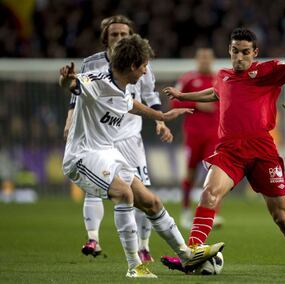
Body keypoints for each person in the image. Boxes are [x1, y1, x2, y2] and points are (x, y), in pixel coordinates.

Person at [161, 12, 285, 272]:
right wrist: (183, 94)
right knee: (208, 194)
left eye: (245, 52)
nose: (239, 57)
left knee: (280, 216)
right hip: (229, 150)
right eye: (235, 51)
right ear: (229, 50)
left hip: (262, 151)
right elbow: (214, 93)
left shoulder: (268, 71)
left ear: (254, 52)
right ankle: (190, 253)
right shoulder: (223, 75)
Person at [59, 34, 224, 278]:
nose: (147, 70)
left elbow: (131, 105)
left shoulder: (123, 85)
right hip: (81, 155)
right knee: (124, 194)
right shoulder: (97, 82)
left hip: (107, 153)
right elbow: (73, 85)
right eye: (144, 65)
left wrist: (163, 117)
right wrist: (66, 79)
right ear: (133, 66)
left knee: (152, 202)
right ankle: (134, 266)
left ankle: (187, 256)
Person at [63, 15, 171, 262]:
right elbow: (76, 93)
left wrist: (160, 120)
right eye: (114, 34)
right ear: (106, 38)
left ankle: (143, 247)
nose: (120, 38)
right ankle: (93, 237)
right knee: (97, 187)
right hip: (100, 136)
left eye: (124, 34)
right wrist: (70, 120)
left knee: (143, 192)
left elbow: (148, 95)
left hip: (129, 135)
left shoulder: (143, 65)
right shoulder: (91, 63)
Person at [171, 48, 222, 229]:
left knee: (214, 173)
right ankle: (185, 211)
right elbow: (174, 101)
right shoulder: (188, 79)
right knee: (191, 172)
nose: (205, 61)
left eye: (208, 58)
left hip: (214, 136)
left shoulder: (220, 79)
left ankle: (212, 214)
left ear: (213, 60)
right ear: (196, 60)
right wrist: (197, 104)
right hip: (193, 134)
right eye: (202, 58)